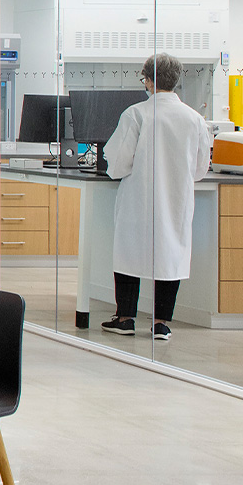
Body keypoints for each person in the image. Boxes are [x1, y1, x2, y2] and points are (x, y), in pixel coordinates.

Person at [101, 53, 212, 340]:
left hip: (138, 197)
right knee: (171, 254)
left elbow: (118, 162)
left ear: (149, 80)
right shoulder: (195, 119)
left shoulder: (136, 113)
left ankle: (125, 317)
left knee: (128, 254)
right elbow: (200, 168)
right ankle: (162, 323)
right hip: (177, 197)